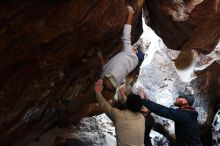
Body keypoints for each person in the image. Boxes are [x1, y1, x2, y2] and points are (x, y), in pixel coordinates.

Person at [102, 6, 144, 101]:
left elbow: (126, 36)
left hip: (107, 84)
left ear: (135, 52)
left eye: (135, 48)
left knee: (88, 97)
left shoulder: (130, 54)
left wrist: (130, 15)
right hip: (109, 87)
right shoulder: (130, 62)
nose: (133, 47)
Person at [94, 79, 145, 146]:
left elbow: (105, 106)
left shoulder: (119, 116)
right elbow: (132, 105)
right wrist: (123, 95)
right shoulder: (142, 118)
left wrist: (98, 92)